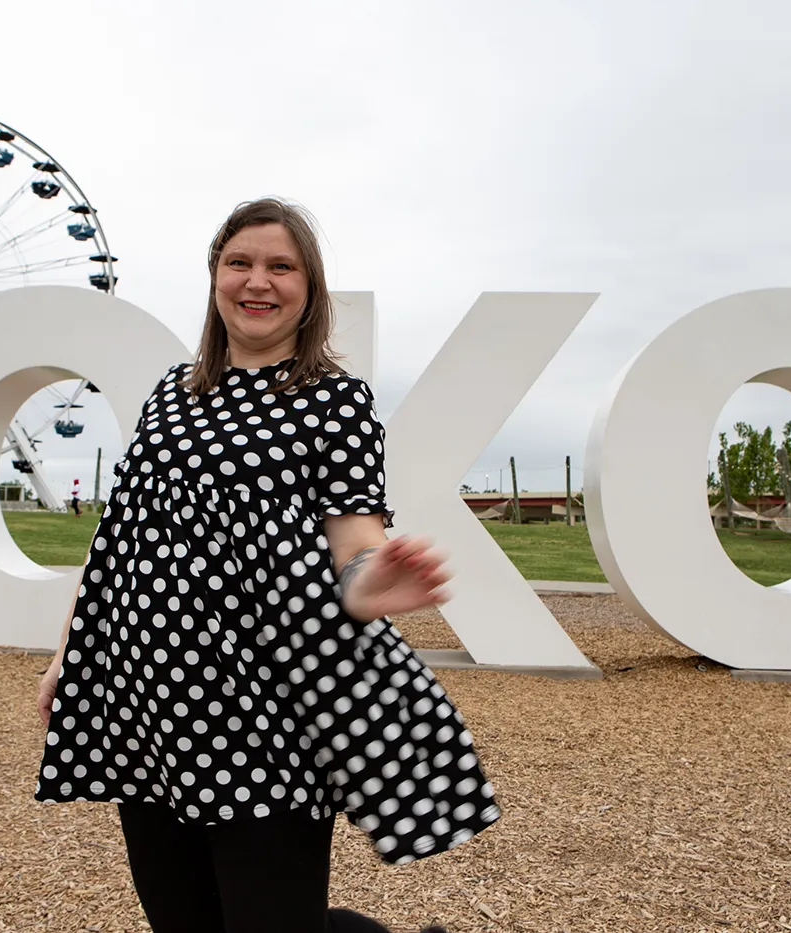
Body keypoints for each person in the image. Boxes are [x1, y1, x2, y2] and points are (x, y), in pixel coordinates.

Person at [35, 199, 497, 933]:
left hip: (262, 712)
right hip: (147, 703)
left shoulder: (335, 400)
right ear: (216, 276)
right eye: (240, 262)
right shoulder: (171, 392)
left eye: (281, 266)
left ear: (308, 289)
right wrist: (69, 655)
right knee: (184, 921)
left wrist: (369, 580)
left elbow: (356, 539)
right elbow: (120, 532)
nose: (259, 281)